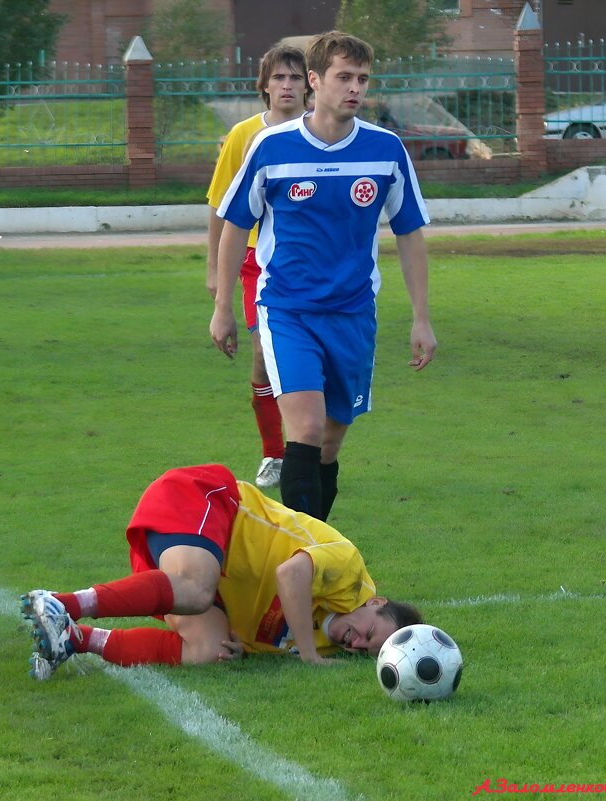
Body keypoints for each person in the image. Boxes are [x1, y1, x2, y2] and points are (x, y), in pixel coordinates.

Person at [210, 31, 437, 522]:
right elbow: (234, 227)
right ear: (316, 80)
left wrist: (422, 318)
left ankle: (316, 545)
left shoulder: (385, 150)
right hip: (286, 310)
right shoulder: (271, 147)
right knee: (307, 430)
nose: (354, 87)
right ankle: (303, 559)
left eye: (362, 79)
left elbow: (410, 233)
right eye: (343, 77)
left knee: (331, 440)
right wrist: (223, 306)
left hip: (353, 313)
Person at [20, 463, 422, 679]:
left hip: (206, 575)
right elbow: (290, 576)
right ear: (376, 601)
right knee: (195, 589)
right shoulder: (348, 570)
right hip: (210, 502)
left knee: (207, 653)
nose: (357, 643)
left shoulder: (335, 642)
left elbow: (269, 626)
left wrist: (240, 647)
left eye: (366, 651)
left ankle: (74, 639)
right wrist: (310, 658)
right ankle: (61, 604)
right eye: (369, 633)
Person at [206, 45, 310, 490]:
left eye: (295, 78)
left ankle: (311, 449)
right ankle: (274, 454)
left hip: (307, 262)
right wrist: (215, 271)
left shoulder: (320, 134)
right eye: (279, 78)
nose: (287, 86)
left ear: (310, 84)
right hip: (255, 262)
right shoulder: (243, 135)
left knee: (312, 362)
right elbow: (220, 207)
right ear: (264, 85)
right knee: (264, 356)